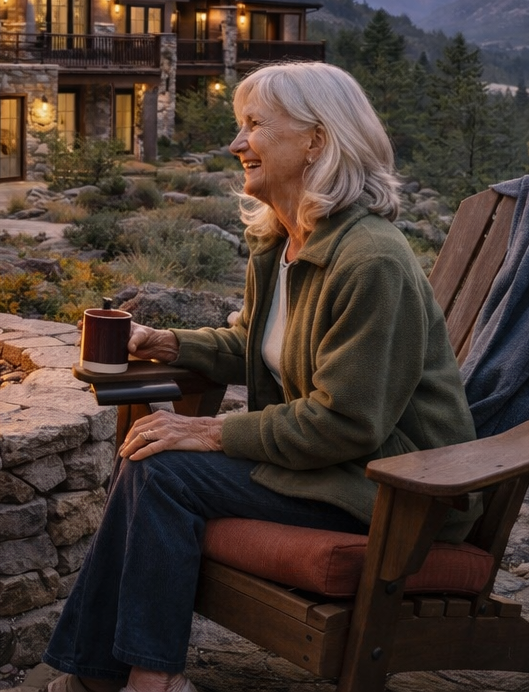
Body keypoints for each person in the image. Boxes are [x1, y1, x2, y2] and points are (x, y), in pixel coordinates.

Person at [42, 62, 479, 692]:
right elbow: (257, 344)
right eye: (239, 126)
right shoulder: (282, 243)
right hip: (327, 467)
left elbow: (347, 421)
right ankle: (107, 679)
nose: (236, 143)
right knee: (152, 458)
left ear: (316, 141)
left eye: (254, 126)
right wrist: (169, 342)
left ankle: (138, 682)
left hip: (393, 488)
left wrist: (213, 433)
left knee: (164, 468)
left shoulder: (371, 261)